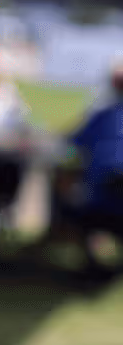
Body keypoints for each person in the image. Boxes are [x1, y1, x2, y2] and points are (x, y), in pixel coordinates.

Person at [51, 60, 123, 274]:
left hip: (98, 205)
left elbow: (69, 149)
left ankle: (62, 238)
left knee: (63, 189)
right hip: (103, 202)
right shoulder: (103, 115)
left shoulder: (103, 115)